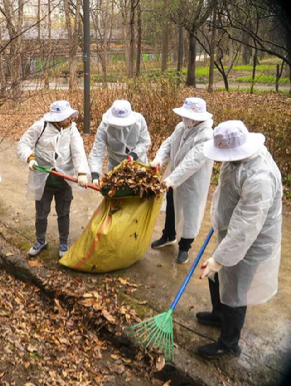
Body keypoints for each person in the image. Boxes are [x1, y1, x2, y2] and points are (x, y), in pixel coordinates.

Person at [197, 120, 282, 358]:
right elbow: (228, 191)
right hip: (231, 230)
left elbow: (246, 225)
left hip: (251, 241)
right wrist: (219, 221)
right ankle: (218, 315)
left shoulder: (259, 176)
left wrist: (221, 257)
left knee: (235, 290)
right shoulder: (237, 160)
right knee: (214, 274)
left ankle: (228, 343)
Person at [17, 100, 90, 258]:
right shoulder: (40, 127)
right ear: (56, 118)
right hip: (43, 179)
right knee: (41, 213)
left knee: (63, 212)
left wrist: (82, 173)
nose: (69, 119)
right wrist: (30, 158)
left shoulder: (72, 130)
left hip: (64, 180)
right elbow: (23, 143)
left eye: (70, 116)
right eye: (66, 117)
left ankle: (63, 242)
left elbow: (78, 152)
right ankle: (40, 241)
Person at [150, 97, 214, 264]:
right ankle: (168, 235)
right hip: (174, 177)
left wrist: (171, 179)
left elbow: (191, 162)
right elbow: (169, 144)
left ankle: (185, 246)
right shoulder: (182, 126)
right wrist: (159, 159)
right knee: (171, 205)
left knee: (189, 213)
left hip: (193, 183)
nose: (184, 119)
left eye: (188, 116)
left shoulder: (206, 136)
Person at [88, 99, 150, 185]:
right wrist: (95, 174)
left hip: (139, 165)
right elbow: (98, 150)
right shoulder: (105, 125)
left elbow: (144, 141)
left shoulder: (139, 121)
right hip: (115, 168)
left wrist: (134, 155)